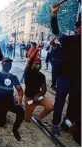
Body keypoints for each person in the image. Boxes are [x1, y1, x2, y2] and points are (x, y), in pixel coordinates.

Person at [51, 2, 81, 142]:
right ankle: (55, 124)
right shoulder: (69, 40)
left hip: (78, 80)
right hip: (64, 78)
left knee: (74, 104)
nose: (81, 29)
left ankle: (66, 123)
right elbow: (56, 31)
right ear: (76, 30)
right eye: (79, 27)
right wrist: (54, 15)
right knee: (59, 102)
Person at [0, 52, 24, 141]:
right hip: (0, 102)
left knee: (21, 112)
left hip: (10, 100)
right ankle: (1, 114)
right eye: (6, 63)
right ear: (2, 64)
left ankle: (15, 130)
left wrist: (20, 97)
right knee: (1, 124)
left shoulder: (13, 77)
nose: (8, 65)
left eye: (10, 63)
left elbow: (20, 90)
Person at [24, 47, 54, 124]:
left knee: (50, 107)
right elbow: (30, 60)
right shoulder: (28, 72)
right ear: (32, 64)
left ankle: (40, 117)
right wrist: (36, 50)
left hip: (38, 97)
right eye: (36, 63)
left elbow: (44, 90)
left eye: (39, 64)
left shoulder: (42, 76)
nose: (38, 65)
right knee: (27, 120)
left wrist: (39, 96)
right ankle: (28, 113)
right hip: (29, 99)